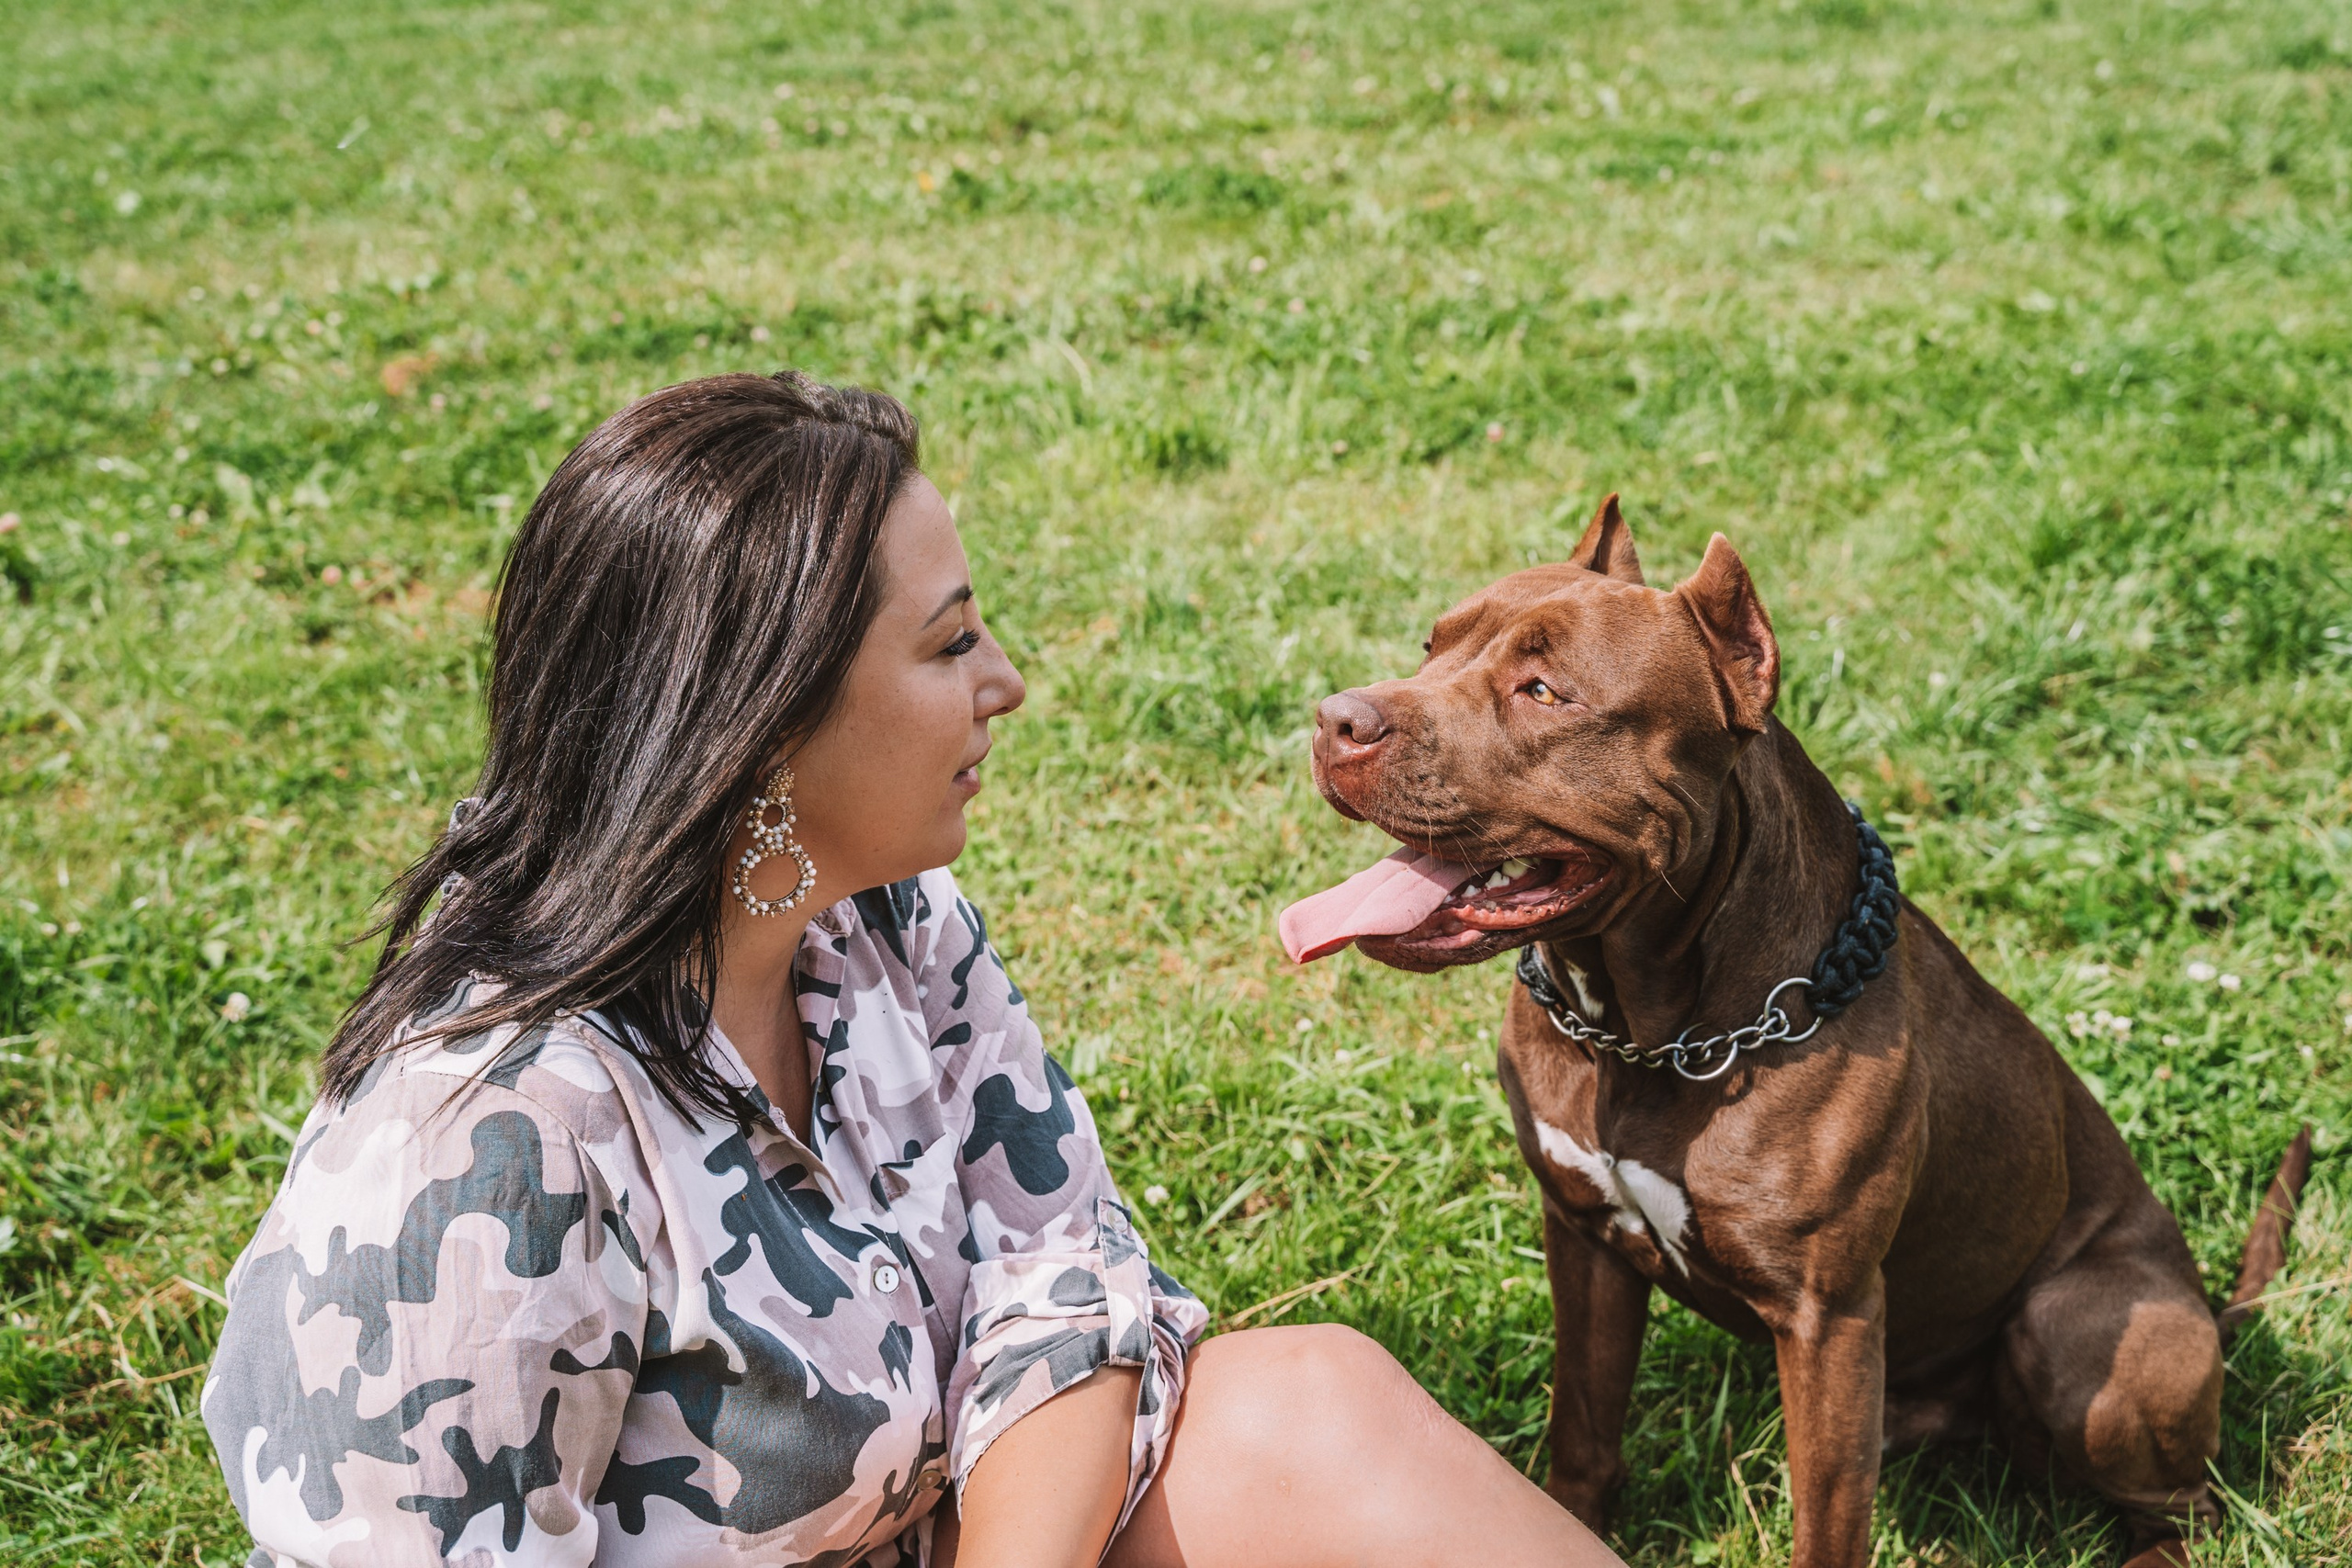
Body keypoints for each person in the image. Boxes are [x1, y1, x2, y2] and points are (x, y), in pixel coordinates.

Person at [201, 371, 1626, 1568]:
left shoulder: (881, 922)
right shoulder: (478, 1146)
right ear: (760, 731)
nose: (1007, 680)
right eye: (950, 642)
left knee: (1312, 1402)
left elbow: (1065, 1275)